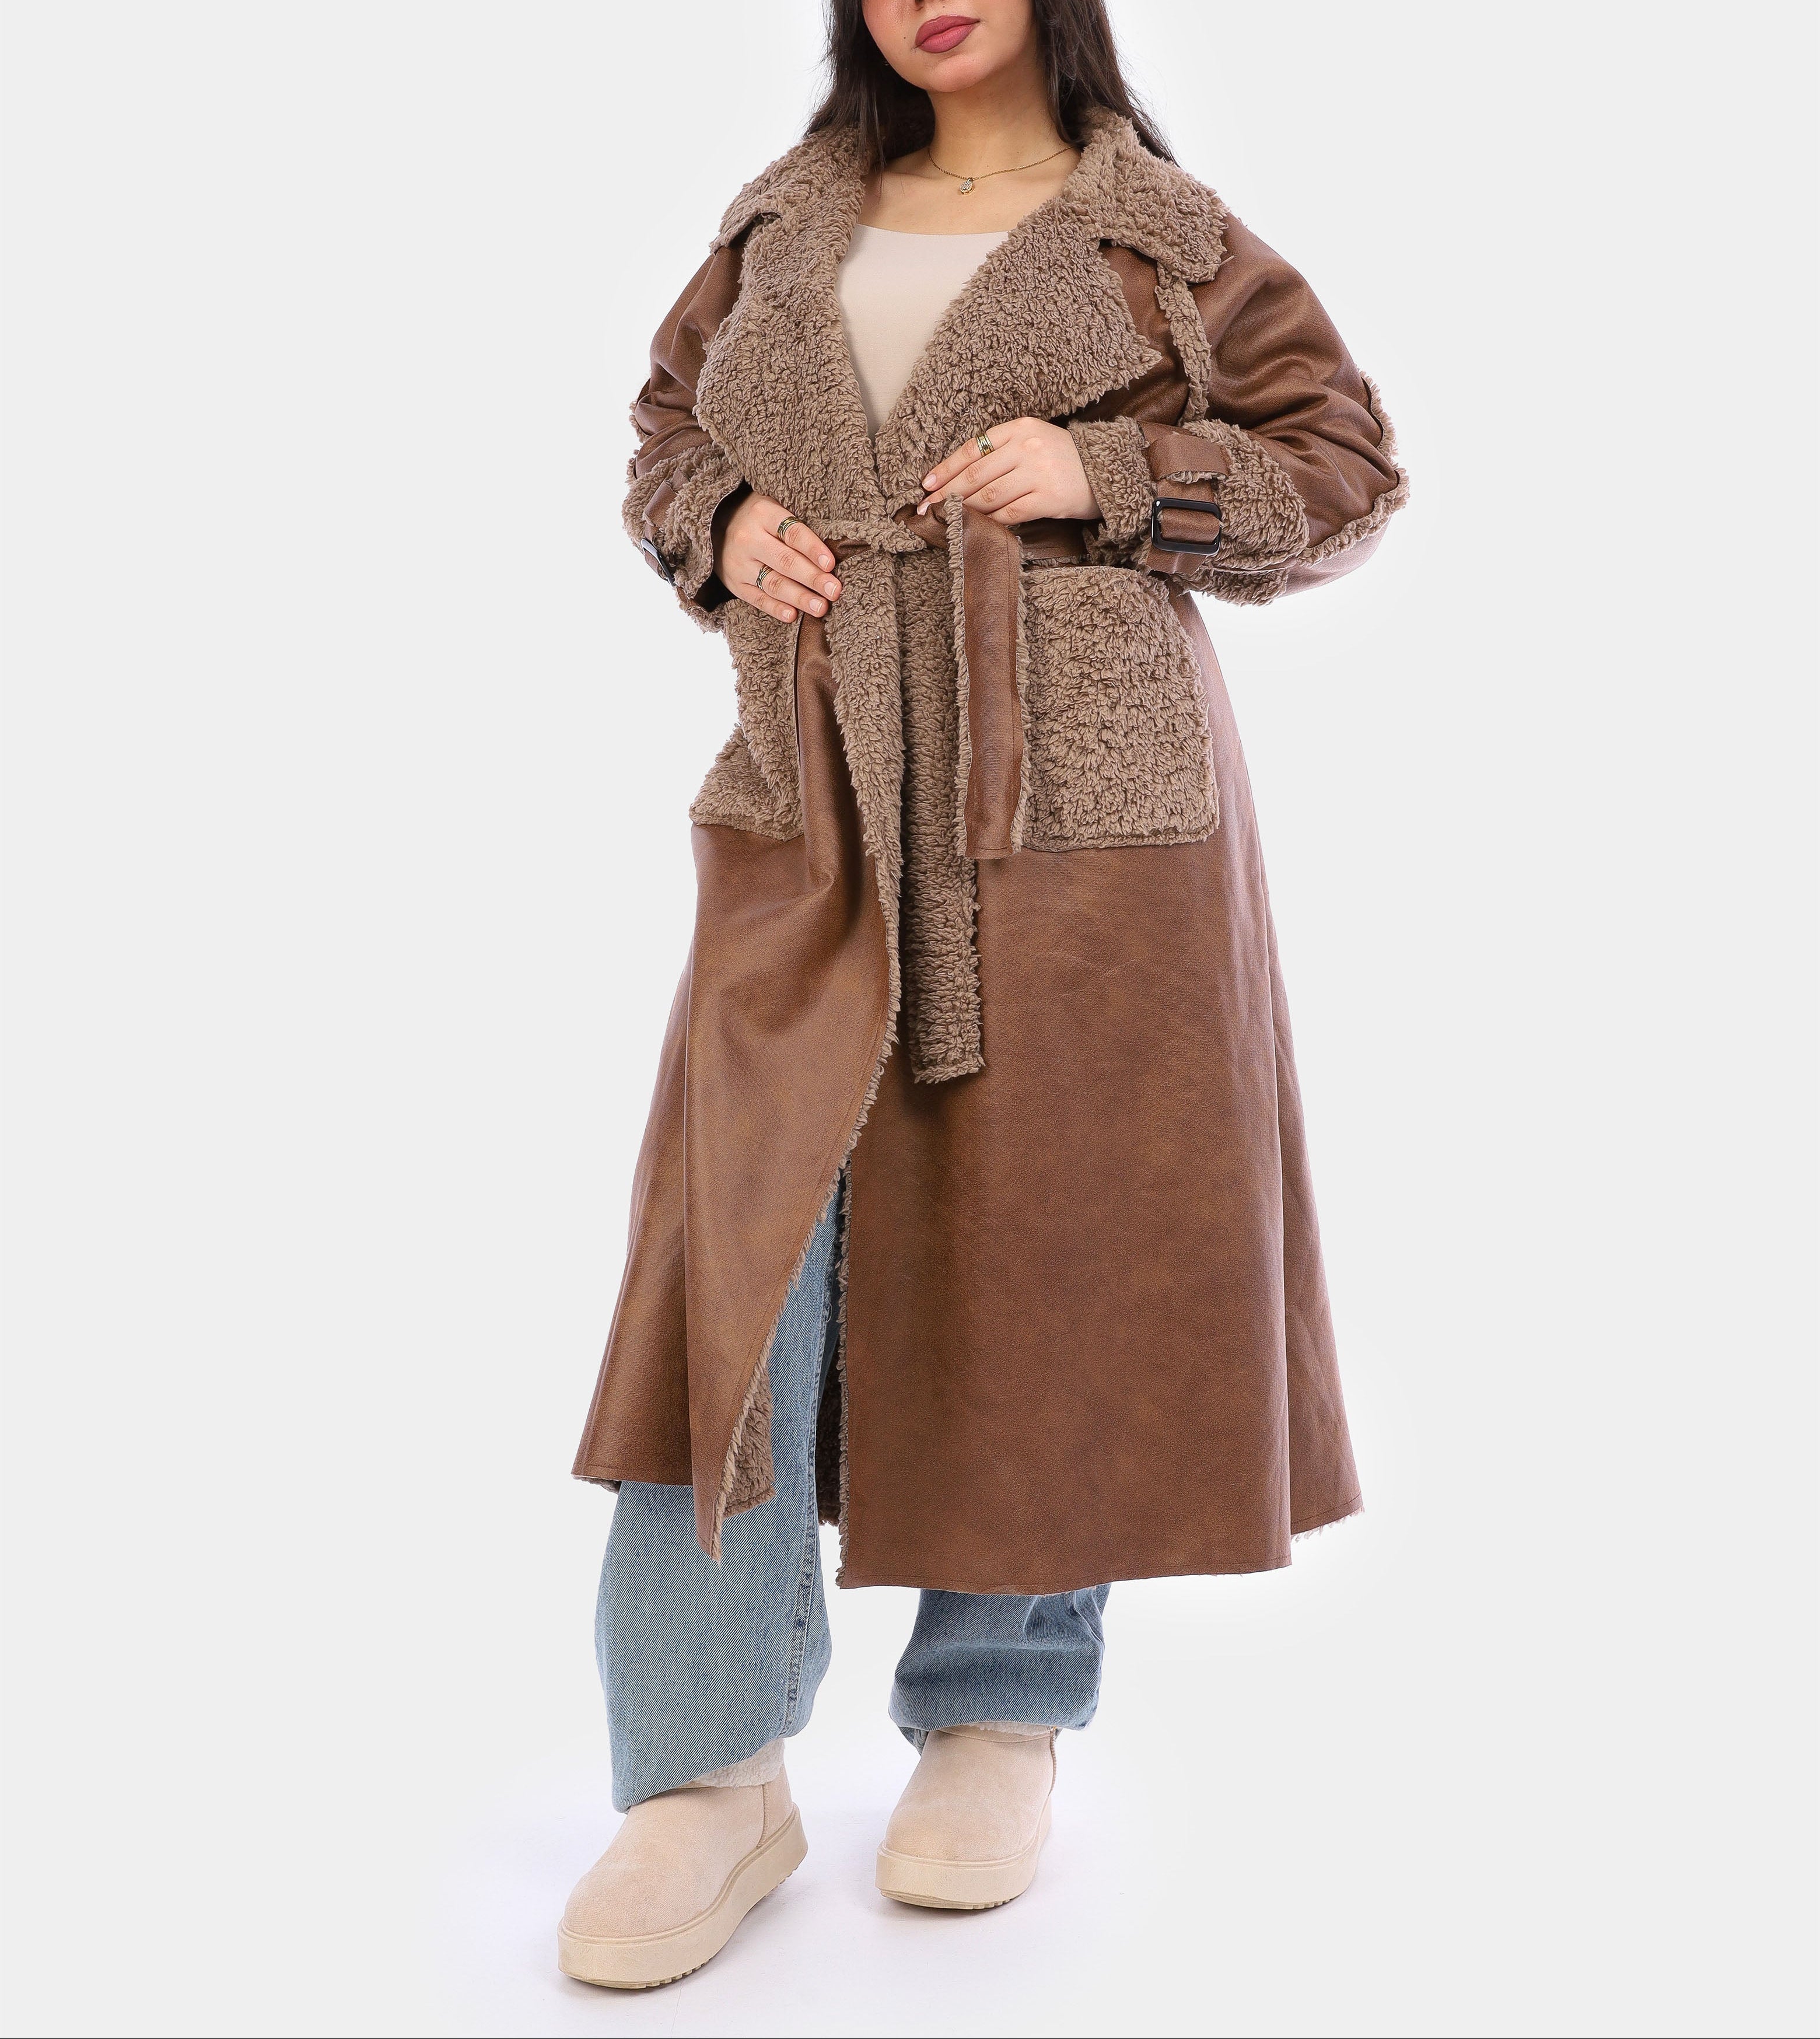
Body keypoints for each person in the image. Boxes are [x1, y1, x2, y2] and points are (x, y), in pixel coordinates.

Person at [560, 0, 1408, 1989]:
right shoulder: (783, 222)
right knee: (737, 1255)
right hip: (817, 786)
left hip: (1080, 808)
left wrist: (1110, 468)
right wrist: (723, 524)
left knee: (1045, 1234)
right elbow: (666, 435)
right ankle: (707, 1767)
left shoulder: (1162, 232)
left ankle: (1000, 1711)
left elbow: (1348, 467)